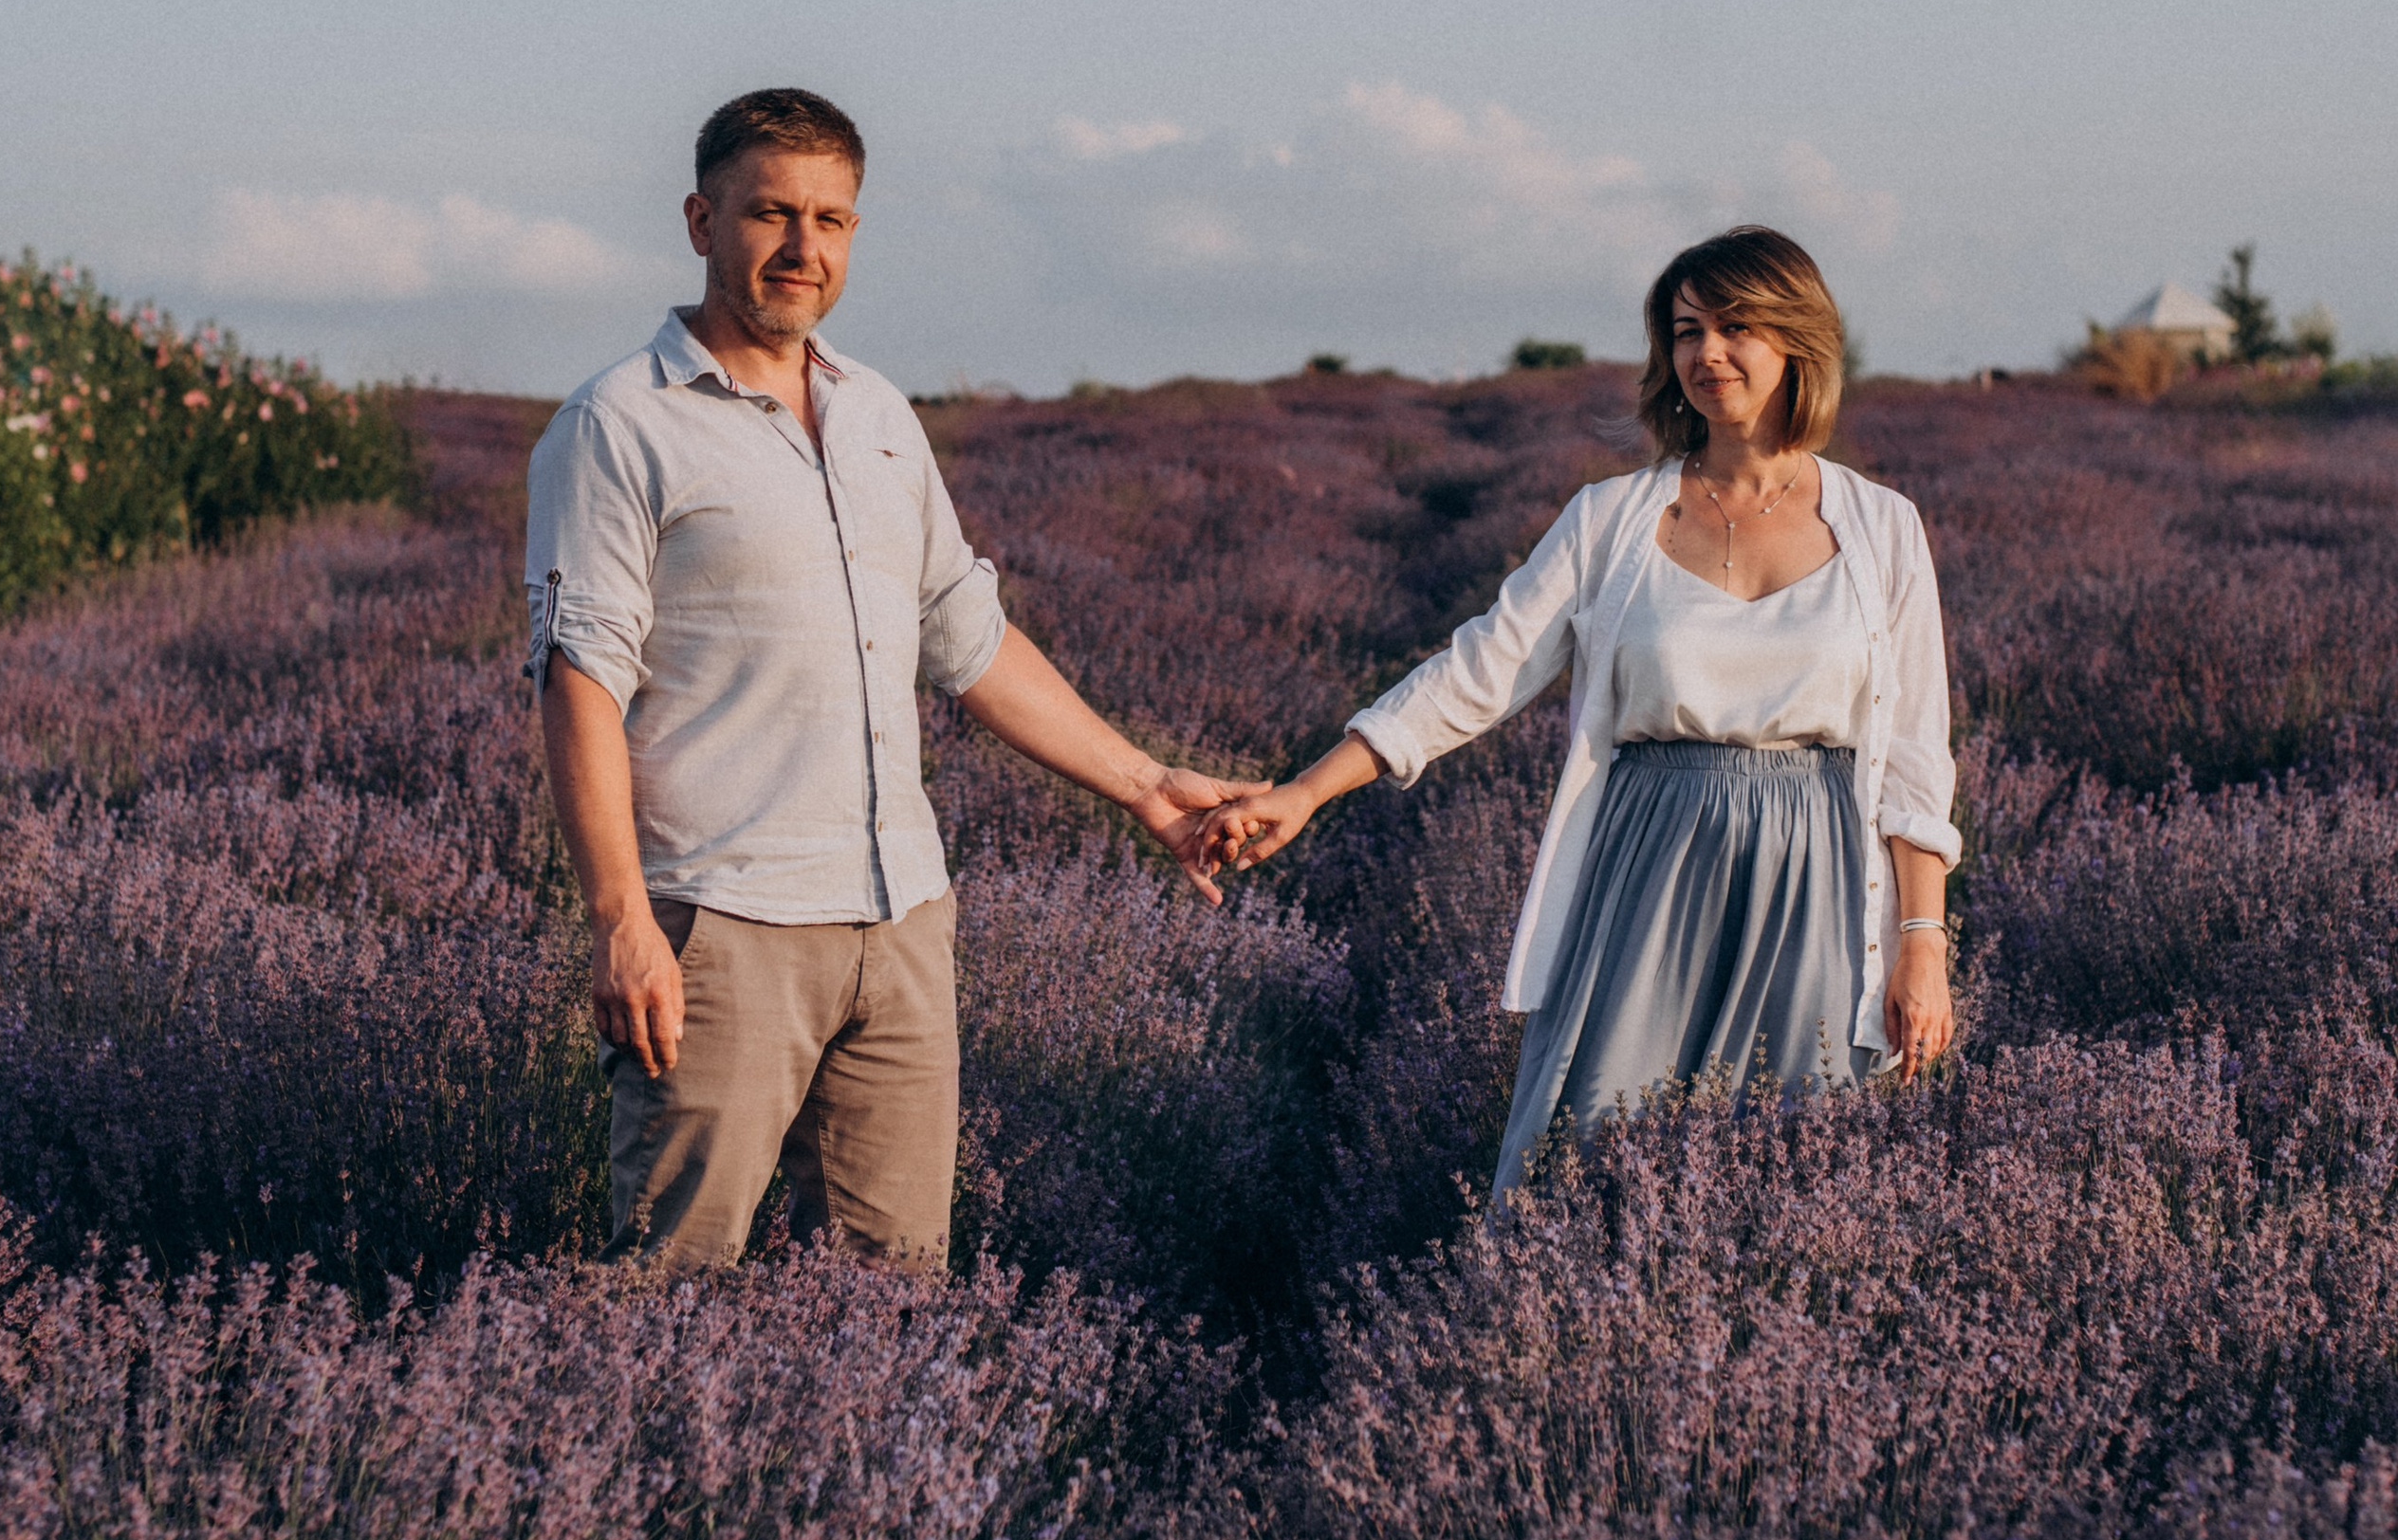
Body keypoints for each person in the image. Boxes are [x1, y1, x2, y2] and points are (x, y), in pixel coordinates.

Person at [526, 84, 1248, 1273]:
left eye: (830, 219)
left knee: (894, 1301)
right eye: (770, 212)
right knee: (670, 1286)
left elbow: (966, 636)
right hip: (722, 926)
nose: (801, 247)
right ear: (702, 221)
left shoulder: (877, 415)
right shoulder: (618, 425)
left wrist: (1142, 784)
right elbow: (579, 679)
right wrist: (620, 920)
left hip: (900, 920)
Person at [1202, 226, 1961, 1190]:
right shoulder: (1610, 521)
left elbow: (1914, 754)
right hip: (1648, 861)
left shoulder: (1883, 526)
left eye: (1735, 326)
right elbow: (1477, 670)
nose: (1707, 352)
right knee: (1587, 1154)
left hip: (1819, 876)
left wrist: (1921, 944)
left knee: (1794, 1170)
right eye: (1685, 330)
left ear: (1798, 339)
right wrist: (1308, 791)